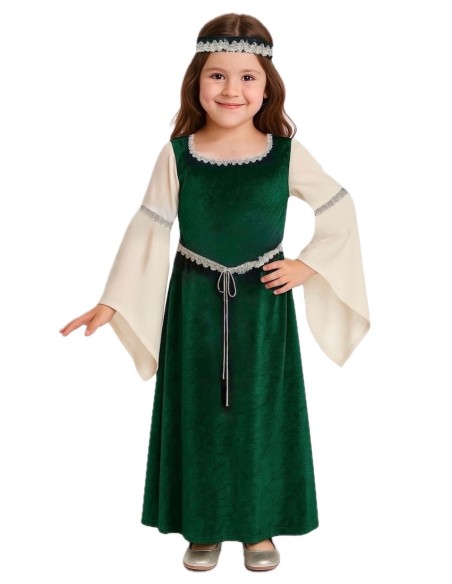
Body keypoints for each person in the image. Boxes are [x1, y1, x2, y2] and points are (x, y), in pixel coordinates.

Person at [59, 13, 370, 572]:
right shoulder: (179, 153)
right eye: (217, 75)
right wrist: (113, 300)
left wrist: (308, 265)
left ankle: (257, 527)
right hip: (195, 306)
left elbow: (337, 205)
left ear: (267, 86)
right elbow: (151, 224)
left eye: (247, 77)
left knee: (259, 411)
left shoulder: (284, 153)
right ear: (196, 81)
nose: (232, 89)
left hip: (263, 307)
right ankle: (202, 526)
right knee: (199, 409)